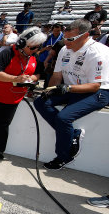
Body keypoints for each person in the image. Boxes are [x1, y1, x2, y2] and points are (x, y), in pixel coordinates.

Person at [34, 19, 109, 170]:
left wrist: (67, 88)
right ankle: (71, 134)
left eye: (70, 39)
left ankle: (63, 156)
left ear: (85, 35)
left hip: (97, 92)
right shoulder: (65, 48)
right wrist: (48, 91)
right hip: (71, 88)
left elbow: (95, 86)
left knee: (63, 118)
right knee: (40, 102)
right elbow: (56, 76)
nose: (66, 42)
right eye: (64, 38)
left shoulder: (99, 52)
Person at [0, 27, 46, 159]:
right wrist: (15, 79)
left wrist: (30, 79)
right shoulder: (7, 54)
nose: (35, 50)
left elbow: (38, 74)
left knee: (4, 124)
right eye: (32, 47)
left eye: (37, 47)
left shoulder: (34, 56)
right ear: (22, 44)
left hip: (14, 98)